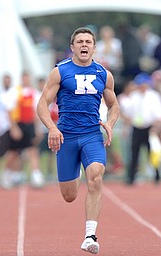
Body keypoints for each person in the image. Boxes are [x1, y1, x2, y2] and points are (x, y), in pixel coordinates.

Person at [37, 27, 119, 254]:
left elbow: (114, 105)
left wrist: (110, 124)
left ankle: (90, 236)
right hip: (66, 136)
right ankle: (77, 169)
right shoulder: (60, 72)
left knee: (96, 176)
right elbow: (42, 104)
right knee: (69, 195)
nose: (84, 45)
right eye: (80, 42)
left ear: (94, 47)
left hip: (92, 134)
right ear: (72, 47)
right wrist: (52, 128)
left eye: (88, 42)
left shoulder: (104, 74)